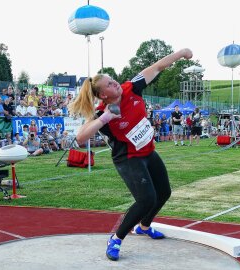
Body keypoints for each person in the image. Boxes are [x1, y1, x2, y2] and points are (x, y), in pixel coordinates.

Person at [69, 48, 193, 261]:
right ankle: (116, 238)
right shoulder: (102, 112)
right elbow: (80, 138)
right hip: (128, 158)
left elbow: (157, 67)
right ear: (103, 95)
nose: (114, 83)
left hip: (148, 152)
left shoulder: (131, 87)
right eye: (109, 84)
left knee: (164, 192)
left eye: (112, 79)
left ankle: (144, 227)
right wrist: (105, 118)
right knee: (146, 199)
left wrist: (180, 53)